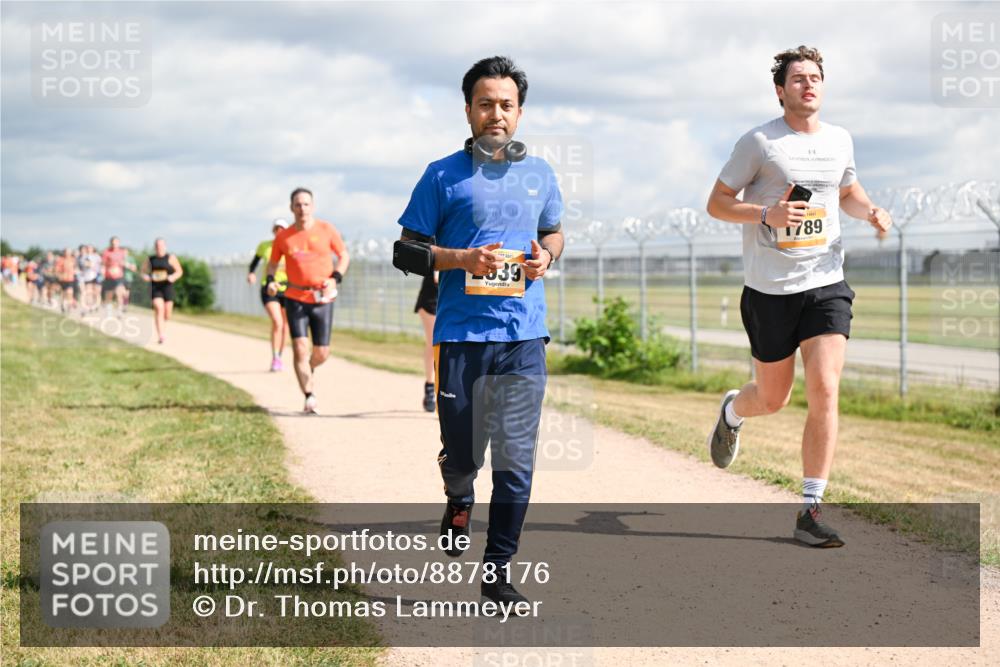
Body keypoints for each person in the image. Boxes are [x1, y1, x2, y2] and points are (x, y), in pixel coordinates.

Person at [705, 46, 892, 548]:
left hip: (826, 281)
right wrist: (766, 214)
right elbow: (717, 204)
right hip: (770, 289)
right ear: (780, 90)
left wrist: (870, 211)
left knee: (826, 389)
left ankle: (810, 510)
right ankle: (733, 412)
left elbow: (846, 191)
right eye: (798, 79)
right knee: (773, 397)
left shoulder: (840, 140)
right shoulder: (760, 142)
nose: (808, 85)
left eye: (815, 78)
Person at [396, 56, 564, 607]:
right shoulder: (441, 174)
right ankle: (458, 495)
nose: (497, 114)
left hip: (523, 337)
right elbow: (406, 251)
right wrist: (461, 258)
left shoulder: (539, 173)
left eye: (507, 105)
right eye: (486, 103)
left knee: (516, 459)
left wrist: (545, 257)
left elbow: (554, 234)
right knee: (465, 455)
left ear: (519, 112)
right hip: (464, 338)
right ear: (468, 109)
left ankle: (497, 571)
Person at [266, 189, 350, 414]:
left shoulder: (326, 229)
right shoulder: (283, 237)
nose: (302, 208)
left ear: (312, 206)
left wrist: (335, 278)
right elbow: (272, 264)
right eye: (297, 204)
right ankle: (309, 395)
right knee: (300, 348)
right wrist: (270, 281)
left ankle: (309, 369)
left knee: (322, 352)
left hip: (322, 298)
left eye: (306, 204)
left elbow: (344, 256)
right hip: (295, 298)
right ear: (291, 208)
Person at [248, 219, 291, 372]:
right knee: (277, 321)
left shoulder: (291, 245)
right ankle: (275, 357)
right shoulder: (265, 246)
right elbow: (255, 262)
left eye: (282, 228)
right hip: (269, 287)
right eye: (276, 228)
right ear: (273, 230)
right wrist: (251, 273)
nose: (279, 231)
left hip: (288, 288)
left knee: (286, 325)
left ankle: (280, 355)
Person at [140, 238, 183, 344]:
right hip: (155, 287)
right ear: (155, 247)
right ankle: (161, 335)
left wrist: (173, 277)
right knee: (159, 308)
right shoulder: (150, 259)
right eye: (157, 245)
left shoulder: (171, 257)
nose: (159, 247)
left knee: (167, 314)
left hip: (167, 286)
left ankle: (162, 325)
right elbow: (142, 272)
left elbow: (179, 271)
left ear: (165, 246)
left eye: (161, 245)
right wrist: (145, 277)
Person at [414, 270, 439, 411]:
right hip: (431, 300)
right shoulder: (439, 247)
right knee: (433, 343)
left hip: (451, 300)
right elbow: (437, 277)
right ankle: (430, 388)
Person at [101, 236, 129, 316]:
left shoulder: (122, 252)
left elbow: (124, 262)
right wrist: (104, 271)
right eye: (113, 243)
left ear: (118, 243)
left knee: (119, 293)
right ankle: (109, 311)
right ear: (110, 243)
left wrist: (126, 265)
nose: (114, 244)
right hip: (109, 276)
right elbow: (103, 264)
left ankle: (119, 311)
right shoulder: (106, 252)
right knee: (109, 295)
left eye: (116, 243)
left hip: (119, 276)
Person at [55, 248, 77, 312]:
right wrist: (59, 275)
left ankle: (69, 306)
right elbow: (57, 269)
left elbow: (76, 267)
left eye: (69, 252)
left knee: (70, 292)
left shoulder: (73, 260)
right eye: (66, 252)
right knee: (63, 293)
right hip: (63, 279)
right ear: (64, 253)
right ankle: (62, 305)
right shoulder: (61, 260)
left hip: (71, 279)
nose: (67, 254)